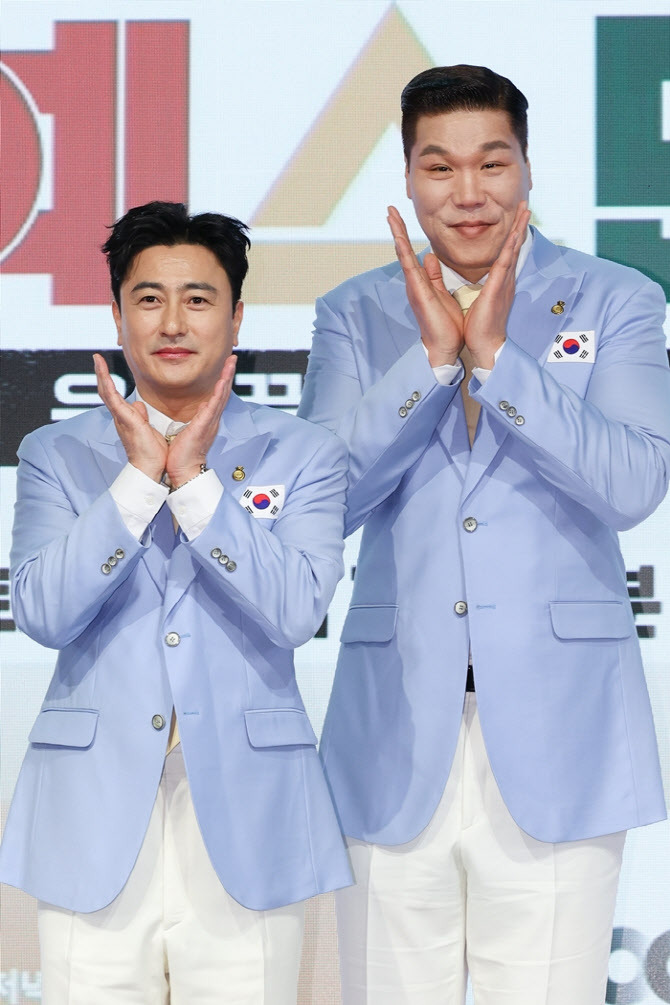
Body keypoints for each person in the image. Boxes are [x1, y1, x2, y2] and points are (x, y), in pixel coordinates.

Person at [297, 65, 670, 1004]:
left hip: (563, 731)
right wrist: (431, 363)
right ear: (408, 176)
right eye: (440, 167)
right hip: (392, 730)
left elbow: (633, 484)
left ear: (527, 167)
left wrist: (500, 360)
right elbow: (321, 503)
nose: (468, 192)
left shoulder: (615, 299)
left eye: (491, 163)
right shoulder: (354, 313)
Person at [0, 201, 352, 1004]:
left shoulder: (303, 453)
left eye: (198, 298)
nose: (172, 321)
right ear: (117, 314)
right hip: (92, 818)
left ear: (236, 316)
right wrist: (135, 481)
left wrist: (194, 483)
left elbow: (296, 609)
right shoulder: (55, 452)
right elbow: (43, 611)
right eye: (149, 298)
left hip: (248, 817)